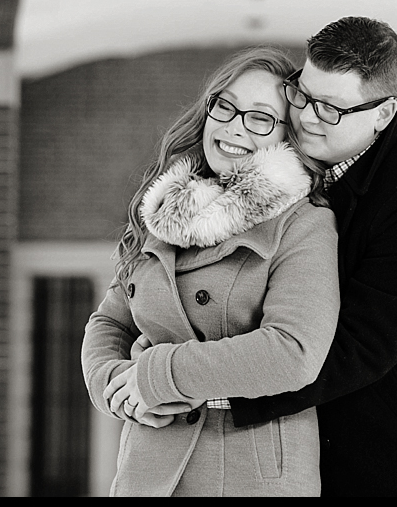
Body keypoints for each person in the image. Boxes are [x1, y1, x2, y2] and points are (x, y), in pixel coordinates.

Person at [228, 17, 397, 496]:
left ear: (384, 112)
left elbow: (357, 349)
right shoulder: (303, 163)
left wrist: (217, 394)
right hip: (324, 453)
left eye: (330, 108)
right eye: (302, 94)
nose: (307, 116)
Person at [80, 45, 340, 497]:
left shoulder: (303, 222)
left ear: (286, 136)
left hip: (251, 471)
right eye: (226, 105)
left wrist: (156, 374)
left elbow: (293, 351)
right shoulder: (165, 213)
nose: (234, 127)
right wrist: (115, 387)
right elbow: (109, 321)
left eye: (260, 117)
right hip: (149, 465)